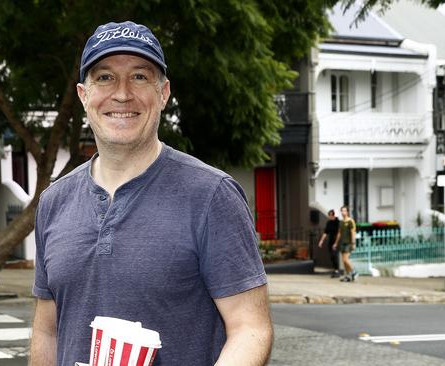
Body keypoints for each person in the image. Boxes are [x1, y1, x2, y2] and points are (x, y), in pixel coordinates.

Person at [30, 21, 272, 366]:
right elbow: (47, 332)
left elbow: (250, 329)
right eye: (105, 77)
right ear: (84, 95)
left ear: (164, 93)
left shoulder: (211, 195)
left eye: (140, 77)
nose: (123, 94)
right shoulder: (54, 202)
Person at [333, 205, 358, 282]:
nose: (343, 212)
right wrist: (336, 243)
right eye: (342, 211)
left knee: (345, 260)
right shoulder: (341, 222)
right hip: (342, 243)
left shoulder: (351, 221)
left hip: (348, 243)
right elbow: (339, 233)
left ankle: (354, 272)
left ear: (347, 212)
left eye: (344, 211)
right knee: (344, 261)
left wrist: (353, 243)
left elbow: (353, 232)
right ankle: (348, 276)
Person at [318, 209, 340, 278]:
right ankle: (335, 269)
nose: (330, 216)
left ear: (334, 215)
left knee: (334, 255)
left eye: (331, 215)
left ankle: (337, 270)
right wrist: (321, 241)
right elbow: (325, 232)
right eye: (329, 215)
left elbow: (339, 233)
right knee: (331, 256)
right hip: (330, 241)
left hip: (336, 240)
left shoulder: (338, 222)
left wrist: (336, 243)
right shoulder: (329, 223)